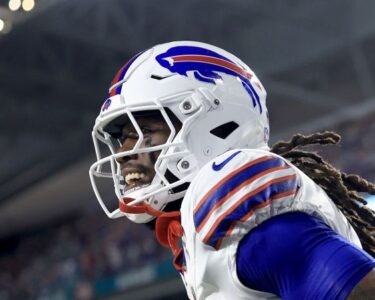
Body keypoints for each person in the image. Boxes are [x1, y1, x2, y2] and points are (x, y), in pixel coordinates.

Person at [89, 41, 375, 299]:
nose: (123, 153)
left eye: (144, 131)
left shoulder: (239, 209)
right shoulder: (194, 237)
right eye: (122, 138)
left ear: (213, 126)